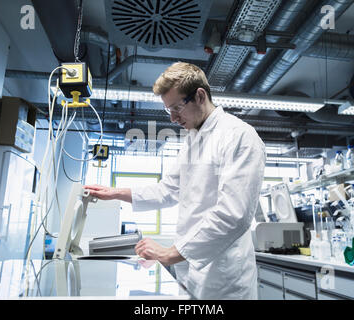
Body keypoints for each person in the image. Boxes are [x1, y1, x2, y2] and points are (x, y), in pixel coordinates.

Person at [85, 62, 266, 299]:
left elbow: (234, 214)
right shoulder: (193, 138)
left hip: (223, 277)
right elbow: (168, 190)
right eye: (168, 110)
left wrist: (172, 253)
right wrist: (115, 193)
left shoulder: (239, 136)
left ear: (200, 96)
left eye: (177, 108)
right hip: (191, 272)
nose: (172, 119)